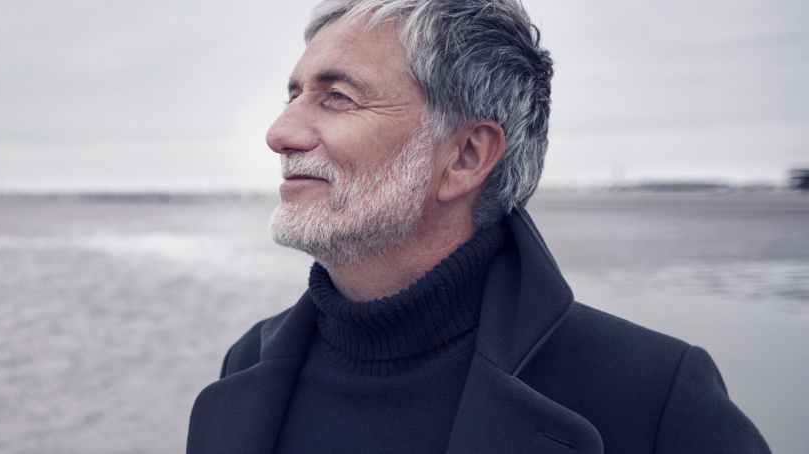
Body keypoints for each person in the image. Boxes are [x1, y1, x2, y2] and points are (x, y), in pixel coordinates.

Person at [185, 0, 770, 452]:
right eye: (293, 94)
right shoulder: (249, 365)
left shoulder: (652, 395)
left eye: (336, 97)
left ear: (465, 156)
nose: (279, 133)